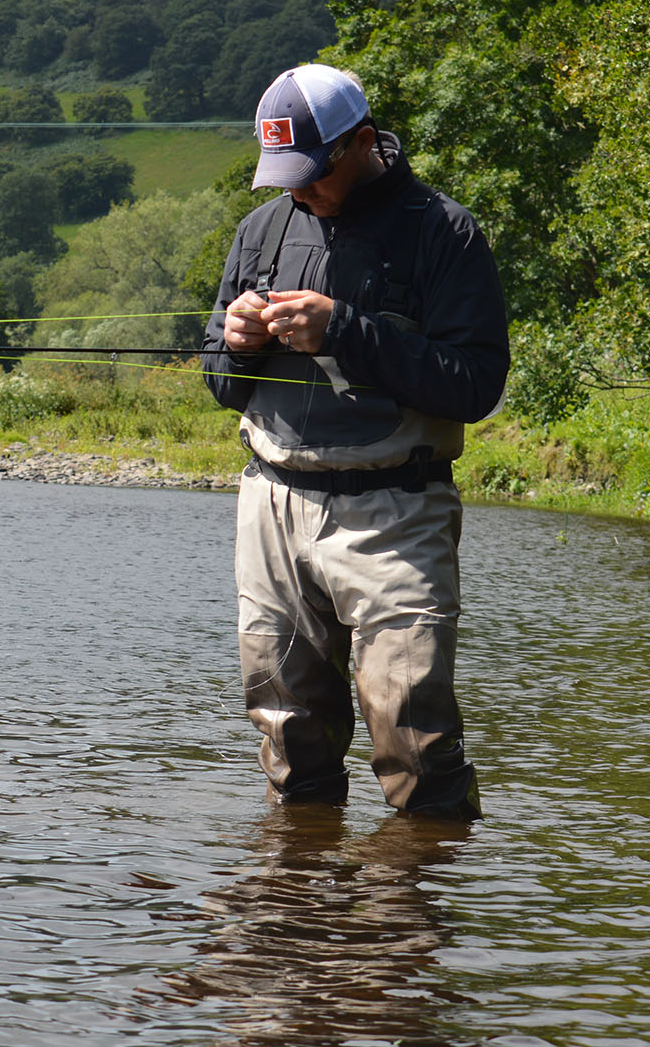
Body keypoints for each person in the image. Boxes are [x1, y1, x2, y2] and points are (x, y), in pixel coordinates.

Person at [201, 63, 509, 821]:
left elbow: (475, 384)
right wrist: (234, 344)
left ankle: (412, 926)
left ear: (361, 144)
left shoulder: (445, 233)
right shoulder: (261, 230)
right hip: (271, 506)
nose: (293, 190)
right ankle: (294, 920)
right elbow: (217, 374)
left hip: (396, 514)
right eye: (280, 175)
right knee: (288, 737)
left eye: (307, 173)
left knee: (415, 741)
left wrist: (344, 330)